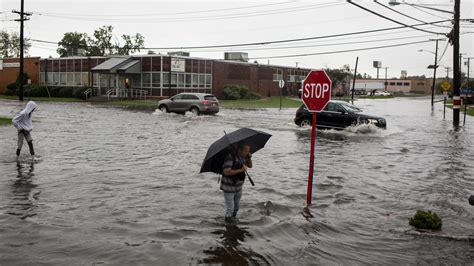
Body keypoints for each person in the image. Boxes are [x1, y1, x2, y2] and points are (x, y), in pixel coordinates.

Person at [220, 143, 252, 224]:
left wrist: (249, 158)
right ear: (239, 150)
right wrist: (241, 170)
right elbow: (226, 172)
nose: (247, 153)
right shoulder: (230, 157)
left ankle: (232, 220)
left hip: (238, 187)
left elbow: (250, 166)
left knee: (236, 207)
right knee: (230, 208)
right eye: (245, 151)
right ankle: (228, 224)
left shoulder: (244, 157)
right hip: (228, 187)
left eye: (248, 151)